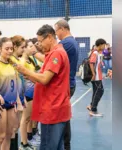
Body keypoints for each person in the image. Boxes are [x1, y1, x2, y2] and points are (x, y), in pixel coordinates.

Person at [15, 24, 71, 150]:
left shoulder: (56, 54)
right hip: (55, 107)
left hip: (53, 108)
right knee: (57, 145)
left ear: (50, 37)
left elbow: (45, 79)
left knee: (48, 146)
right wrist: (32, 77)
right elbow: (51, 80)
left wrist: (26, 71)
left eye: (40, 41)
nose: (39, 45)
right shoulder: (54, 53)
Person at [0, 37, 20, 150]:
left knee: (9, 135)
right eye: (6, 49)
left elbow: (15, 84)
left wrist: (17, 102)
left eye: (11, 49)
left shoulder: (12, 64)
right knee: (0, 137)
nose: (9, 51)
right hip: (1, 104)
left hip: (12, 104)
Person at [54, 19, 79, 150]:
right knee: (64, 116)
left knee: (61, 118)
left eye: (56, 31)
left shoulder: (66, 43)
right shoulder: (72, 42)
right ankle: (65, 145)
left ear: (62, 29)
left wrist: (34, 53)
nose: (56, 34)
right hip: (69, 83)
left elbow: (50, 58)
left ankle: (64, 144)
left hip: (66, 84)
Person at [19, 40, 38, 150]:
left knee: (28, 118)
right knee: (25, 118)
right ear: (24, 48)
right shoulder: (22, 61)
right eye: (30, 46)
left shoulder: (30, 60)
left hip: (33, 92)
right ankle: (23, 143)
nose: (32, 48)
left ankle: (26, 141)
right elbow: (22, 77)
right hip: (26, 93)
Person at [10, 35, 26, 150]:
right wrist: (18, 100)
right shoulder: (12, 61)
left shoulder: (17, 60)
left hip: (20, 96)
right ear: (14, 47)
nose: (24, 50)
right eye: (22, 47)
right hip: (14, 99)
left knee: (16, 127)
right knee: (12, 129)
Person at [86, 38, 107, 117]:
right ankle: (93, 110)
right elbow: (91, 63)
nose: (104, 47)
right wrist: (94, 74)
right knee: (100, 91)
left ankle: (91, 106)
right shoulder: (95, 53)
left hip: (98, 76)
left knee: (96, 92)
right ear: (100, 45)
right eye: (104, 45)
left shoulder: (98, 53)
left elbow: (99, 64)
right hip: (96, 77)